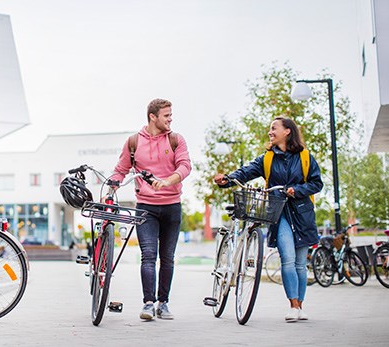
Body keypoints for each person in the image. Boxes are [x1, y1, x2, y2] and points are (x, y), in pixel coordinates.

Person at [213, 116, 323, 322]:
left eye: (274, 128)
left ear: (287, 131)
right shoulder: (267, 158)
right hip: (278, 212)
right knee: (288, 259)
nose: (270, 132)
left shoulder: (306, 157)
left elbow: (317, 183)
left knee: (300, 263)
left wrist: (296, 190)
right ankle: (293, 305)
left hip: (302, 214)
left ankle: (300, 306)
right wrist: (226, 180)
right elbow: (245, 172)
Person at [111, 98, 191, 321]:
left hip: (172, 205)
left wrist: (168, 181)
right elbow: (121, 169)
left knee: (168, 257)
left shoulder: (176, 140)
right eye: (166, 115)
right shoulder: (134, 142)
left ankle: (163, 303)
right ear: (152, 117)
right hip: (145, 207)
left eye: (171, 115)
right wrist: (111, 186)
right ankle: (148, 303)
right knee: (148, 255)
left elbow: (185, 166)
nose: (170, 119)